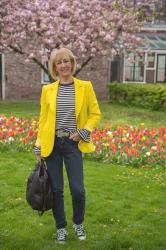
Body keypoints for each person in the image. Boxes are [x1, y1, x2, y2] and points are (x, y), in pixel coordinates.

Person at [34, 48, 101, 244]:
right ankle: (61, 227)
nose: (63, 65)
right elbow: (43, 120)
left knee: (78, 189)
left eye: (66, 61)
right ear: (55, 67)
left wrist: (83, 132)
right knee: (56, 190)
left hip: (73, 144)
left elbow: (95, 114)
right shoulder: (48, 90)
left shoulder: (85, 87)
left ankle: (78, 223)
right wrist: (39, 144)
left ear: (72, 63)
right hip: (52, 144)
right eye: (59, 62)